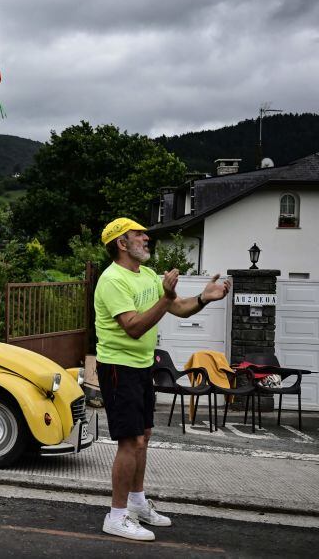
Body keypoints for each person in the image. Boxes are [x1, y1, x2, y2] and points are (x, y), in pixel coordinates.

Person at [95, 217, 230, 541]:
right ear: (121, 244)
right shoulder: (112, 280)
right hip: (118, 367)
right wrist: (166, 298)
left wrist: (203, 298)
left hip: (142, 367)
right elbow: (134, 326)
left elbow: (179, 308)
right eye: (138, 235)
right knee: (130, 442)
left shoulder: (146, 276)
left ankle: (138, 504)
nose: (146, 239)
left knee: (144, 437)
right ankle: (116, 516)